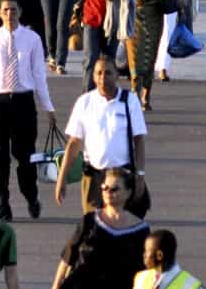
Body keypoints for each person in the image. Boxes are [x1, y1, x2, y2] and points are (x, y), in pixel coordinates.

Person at [0, 0, 57, 221]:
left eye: (13, 10)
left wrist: (48, 107)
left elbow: (39, 76)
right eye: (5, 10)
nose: (10, 14)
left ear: (20, 12)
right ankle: (2, 204)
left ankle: (31, 196)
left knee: (25, 157)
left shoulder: (31, 39)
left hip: (23, 101)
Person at [55, 57, 147, 214]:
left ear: (117, 75)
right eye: (99, 73)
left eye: (108, 73)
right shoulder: (85, 102)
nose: (103, 77)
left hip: (122, 176)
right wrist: (61, 178)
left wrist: (140, 175)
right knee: (93, 229)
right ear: (93, 77)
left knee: (121, 225)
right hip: (94, 177)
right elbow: (74, 143)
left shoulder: (129, 101)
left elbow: (138, 139)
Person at [126, 0, 170, 110]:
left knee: (150, 55)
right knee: (134, 57)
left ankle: (146, 94)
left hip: (153, 13)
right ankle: (135, 93)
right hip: (133, 14)